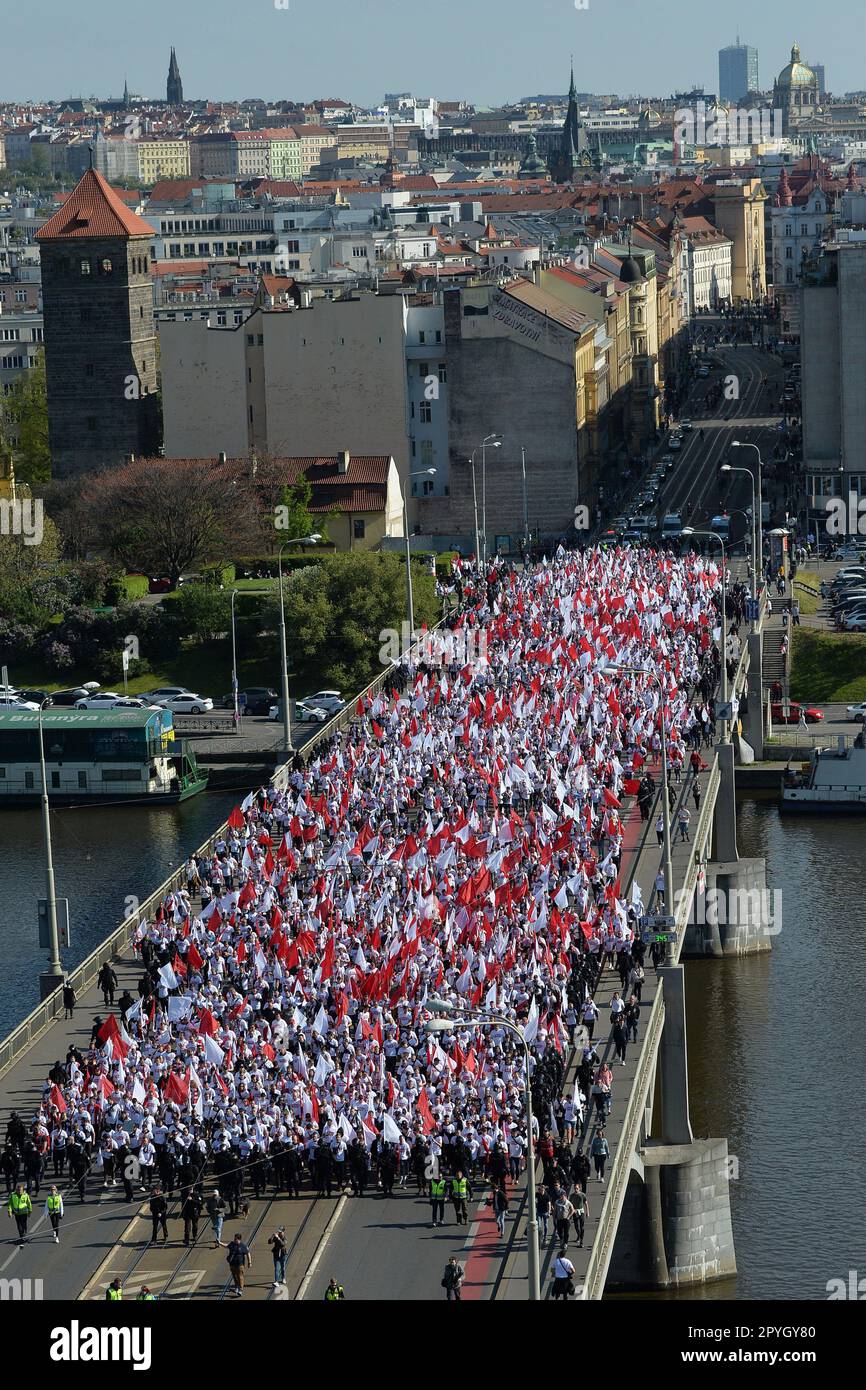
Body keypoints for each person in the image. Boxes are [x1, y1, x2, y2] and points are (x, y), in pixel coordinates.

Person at [226, 1232, 251, 1297]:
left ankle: (241, 1290)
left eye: (235, 1239)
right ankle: (236, 1287)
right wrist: (219, 1243)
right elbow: (226, 1246)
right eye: (234, 1239)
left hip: (240, 1265)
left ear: (239, 1239)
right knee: (234, 1276)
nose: (234, 1240)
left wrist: (249, 1262)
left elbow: (248, 1254)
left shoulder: (243, 1246)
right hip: (232, 1264)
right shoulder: (232, 1244)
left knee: (240, 1277)